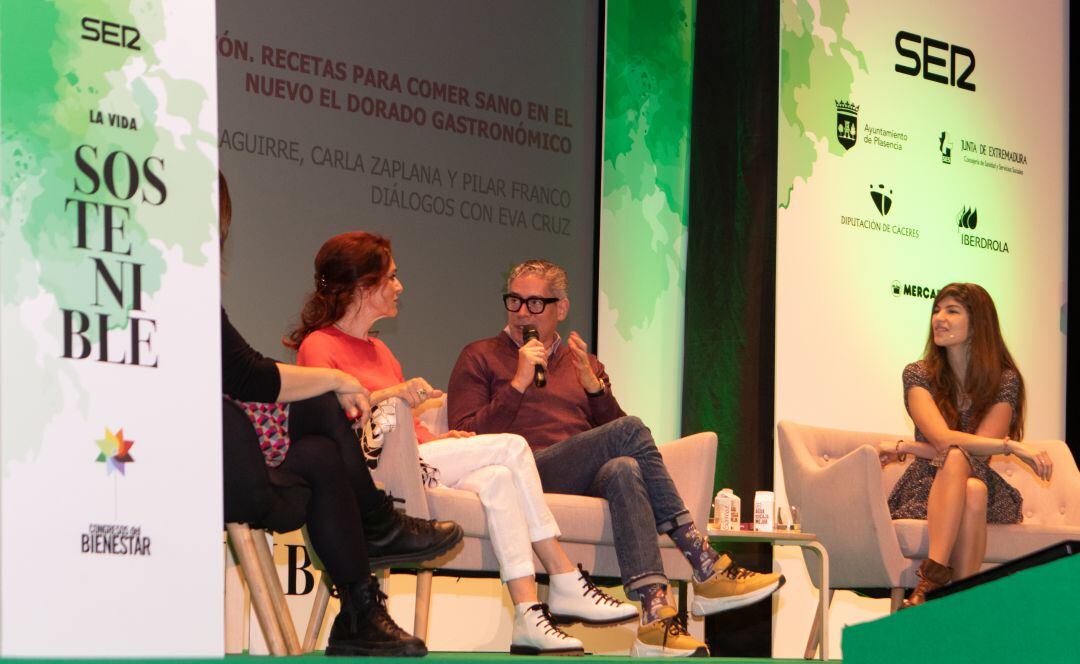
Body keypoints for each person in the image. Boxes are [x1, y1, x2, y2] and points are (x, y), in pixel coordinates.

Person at [288, 232, 638, 656]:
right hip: (369, 475)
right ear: (364, 286)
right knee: (511, 448)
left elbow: (410, 433)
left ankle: (528, 614)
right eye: (392, 278)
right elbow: (329, 415)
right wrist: (392, 394)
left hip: (417, 461)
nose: (400, 287)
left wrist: (441, 438)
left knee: (497, 479)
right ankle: (563, 574)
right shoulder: (319, 345)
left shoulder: (379, 348)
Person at [447, 259, 784, 658]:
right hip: (521, 471)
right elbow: (468, 437)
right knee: (631, 431)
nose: (523, 313)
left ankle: (655, 617)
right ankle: (703, 561)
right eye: (515, 301)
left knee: (625, 468)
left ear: (561, 308)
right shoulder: (480, 355)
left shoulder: (583, 363)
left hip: (574, 473)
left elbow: (626, 442)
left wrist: (596, 392)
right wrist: (518, 383)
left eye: (536, 304)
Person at [219, 175, 463, 657]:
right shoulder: (318, 343)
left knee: (323, 456)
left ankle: (358, 613)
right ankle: (375, 524)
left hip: (255, 449)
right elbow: (248, 377)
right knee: (319, 404)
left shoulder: (381, 348)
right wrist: (336, 380)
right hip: (210, 445)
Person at [881, 282, 1052, 607]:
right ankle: (959, 603)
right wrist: (1012, 447)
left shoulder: (1005, 380)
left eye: (952, 311)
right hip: (927, 484)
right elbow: (943, 441)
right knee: (966, 476)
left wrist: (909, 446)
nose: (939, 318)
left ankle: (930, 582)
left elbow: (976, 450)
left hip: (978, 478)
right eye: (936, 310)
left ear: (978, 324)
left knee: (968, 475)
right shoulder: (918, 374)